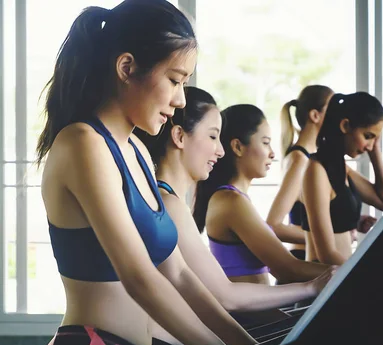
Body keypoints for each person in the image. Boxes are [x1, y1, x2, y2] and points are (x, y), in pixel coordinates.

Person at [22, 2, 256, 345]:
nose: (181, 100)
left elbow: (178, 273)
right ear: (127, 68)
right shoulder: (83, 144)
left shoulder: (137, 151)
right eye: (175, 79)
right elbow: (139, 278)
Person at [137, 87, 336, 327]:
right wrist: (313, 286)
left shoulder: (174, 202)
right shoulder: (177, 203)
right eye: (212, 137)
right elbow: (225, 297)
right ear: (179, 136)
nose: (220, 151)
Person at [193, 104, 333, 286]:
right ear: (237, 147)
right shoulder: (230, 201)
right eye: (265, 143)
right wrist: (350, 270)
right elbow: (288, 269)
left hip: (263, 312)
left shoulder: (236, 198)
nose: (272, 153)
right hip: (245, 315)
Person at [301, 92, 383, 265]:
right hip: (325, 280)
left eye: (375, 139)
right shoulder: (317, 170)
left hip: (339, 273)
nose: (370, 146)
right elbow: (326, 253)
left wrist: (376, 153)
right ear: (345, 126)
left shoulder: (342, 169)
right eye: (368, 136)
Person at [265, 85, 334, 260]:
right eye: (333, 109)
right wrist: (325, 238)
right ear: (315, 115)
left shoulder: (309, 157)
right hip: (304, 260)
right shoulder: (300, 160)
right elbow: (274, 224)